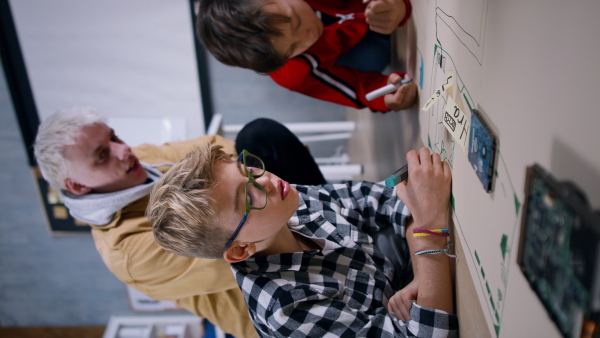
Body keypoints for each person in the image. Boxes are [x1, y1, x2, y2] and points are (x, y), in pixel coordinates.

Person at [33, 107, 326, 338]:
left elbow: (217, 151)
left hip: (270, 231)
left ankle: (333, 212)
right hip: (276, 297)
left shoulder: (140, 158)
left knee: (259, 136)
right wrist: (234, 192)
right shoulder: (128, 253)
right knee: (255, 204)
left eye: (114, 137)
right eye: (102, 155)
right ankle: (332, 219)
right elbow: (248, 251)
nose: (123, 150)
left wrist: (234, 183)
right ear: (78, 186)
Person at [148, 144, 459, 337]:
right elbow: (429, 335)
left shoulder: (281, 201)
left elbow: (381, 197)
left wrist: (422, 272)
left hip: (408, 283)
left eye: (247, 168)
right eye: (247, 196)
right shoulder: (286, 311)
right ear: (240, 249)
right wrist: (428, 228)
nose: (266, 181)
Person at [196, 0, 418, 113]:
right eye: (293, 48)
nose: (309, 36)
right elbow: (357, 91)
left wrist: (399, 5)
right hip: (358, 43)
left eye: (296, 21)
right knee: (373, 58)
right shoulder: (291, 73)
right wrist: (386, 96)